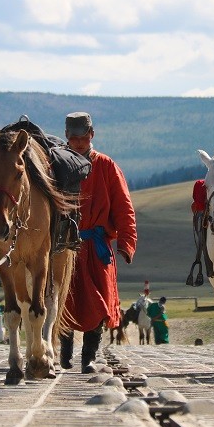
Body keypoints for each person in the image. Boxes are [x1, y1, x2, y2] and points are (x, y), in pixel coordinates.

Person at [60, 112, 137, 372]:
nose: (79, 142)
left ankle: (89, 357)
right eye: (74, 138)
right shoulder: (57, 164)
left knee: (99, 300)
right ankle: (65, 353)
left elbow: (123, 206)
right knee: (63, 299)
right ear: (67, 137)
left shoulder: (106, 165)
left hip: (97, 246)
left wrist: (127, 241)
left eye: (83, 137)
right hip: (64, 244)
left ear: (92, 135)